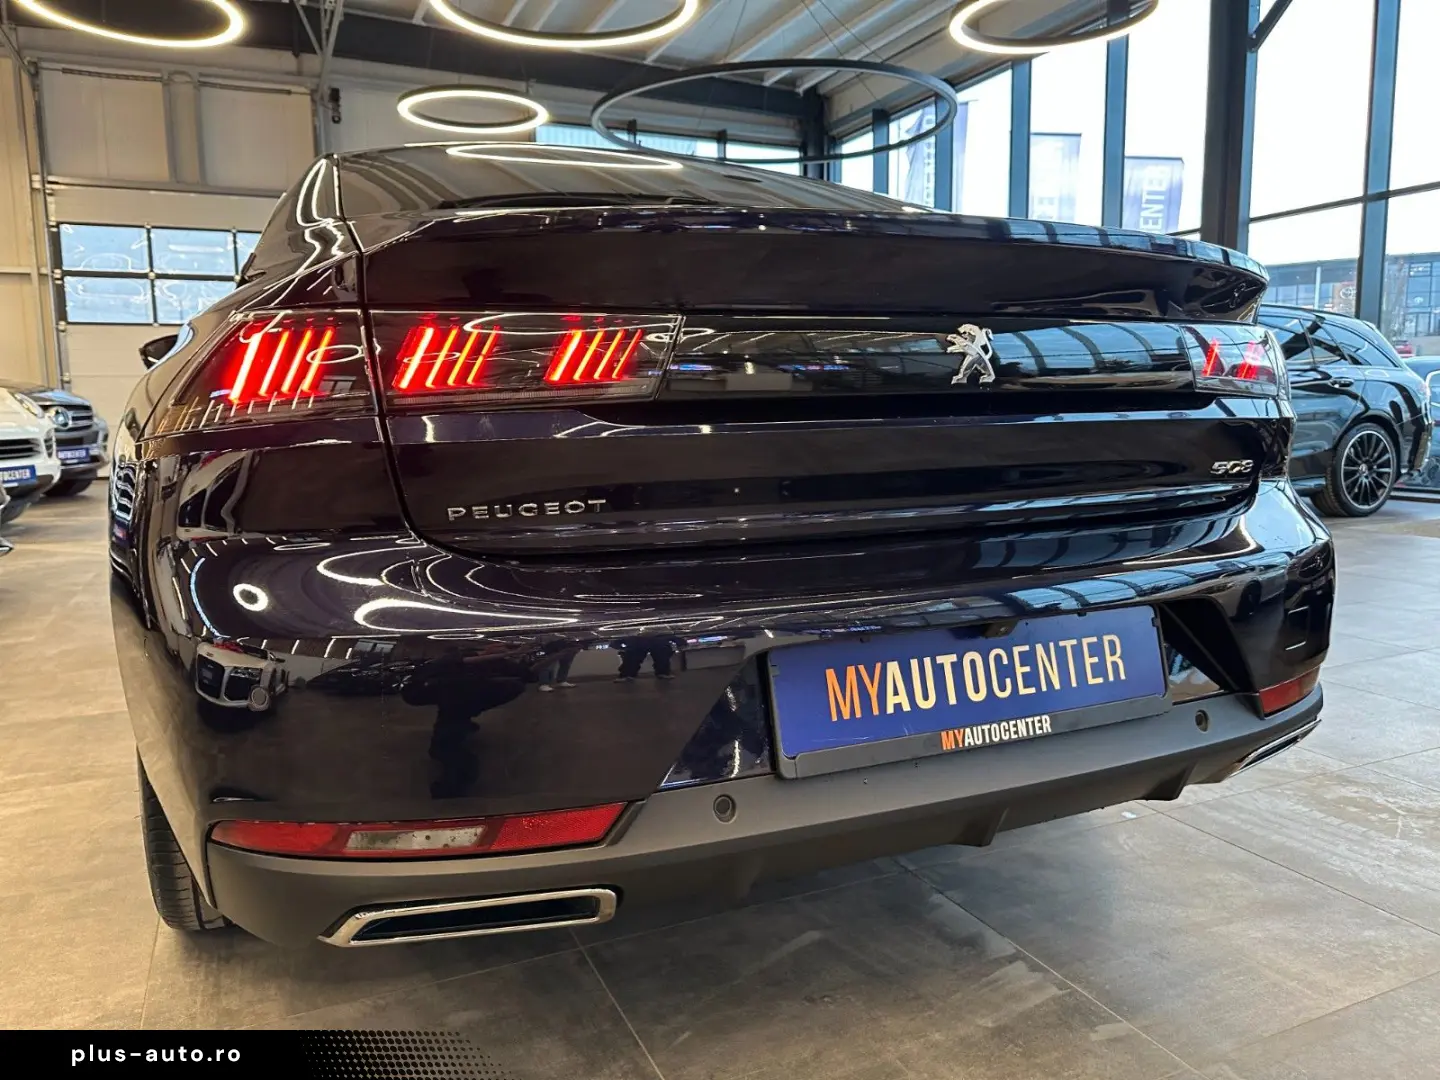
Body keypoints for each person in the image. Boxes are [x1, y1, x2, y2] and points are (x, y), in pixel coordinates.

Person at [615, 634, 684, 681]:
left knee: (632, 658)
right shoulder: (663, 637)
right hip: (657, 641)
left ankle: (626, 675)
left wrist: (622, 648)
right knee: (662, 657)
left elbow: (616, 643)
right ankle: (663, 673)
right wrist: (680, 646)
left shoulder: (633, 639)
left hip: (639, 641)